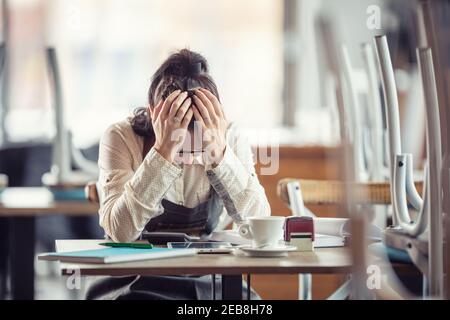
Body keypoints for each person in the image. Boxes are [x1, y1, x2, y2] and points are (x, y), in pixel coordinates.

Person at [87, 49, 271, 300]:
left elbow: (258, 221)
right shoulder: (120, 137)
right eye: (179, 129)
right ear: (154, 113)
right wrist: (163, 152)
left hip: (206, 272)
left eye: (196, 129)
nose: (189, 151)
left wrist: (219, 152)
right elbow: (121, 232)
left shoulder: (229, 136)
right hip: (132, 273)